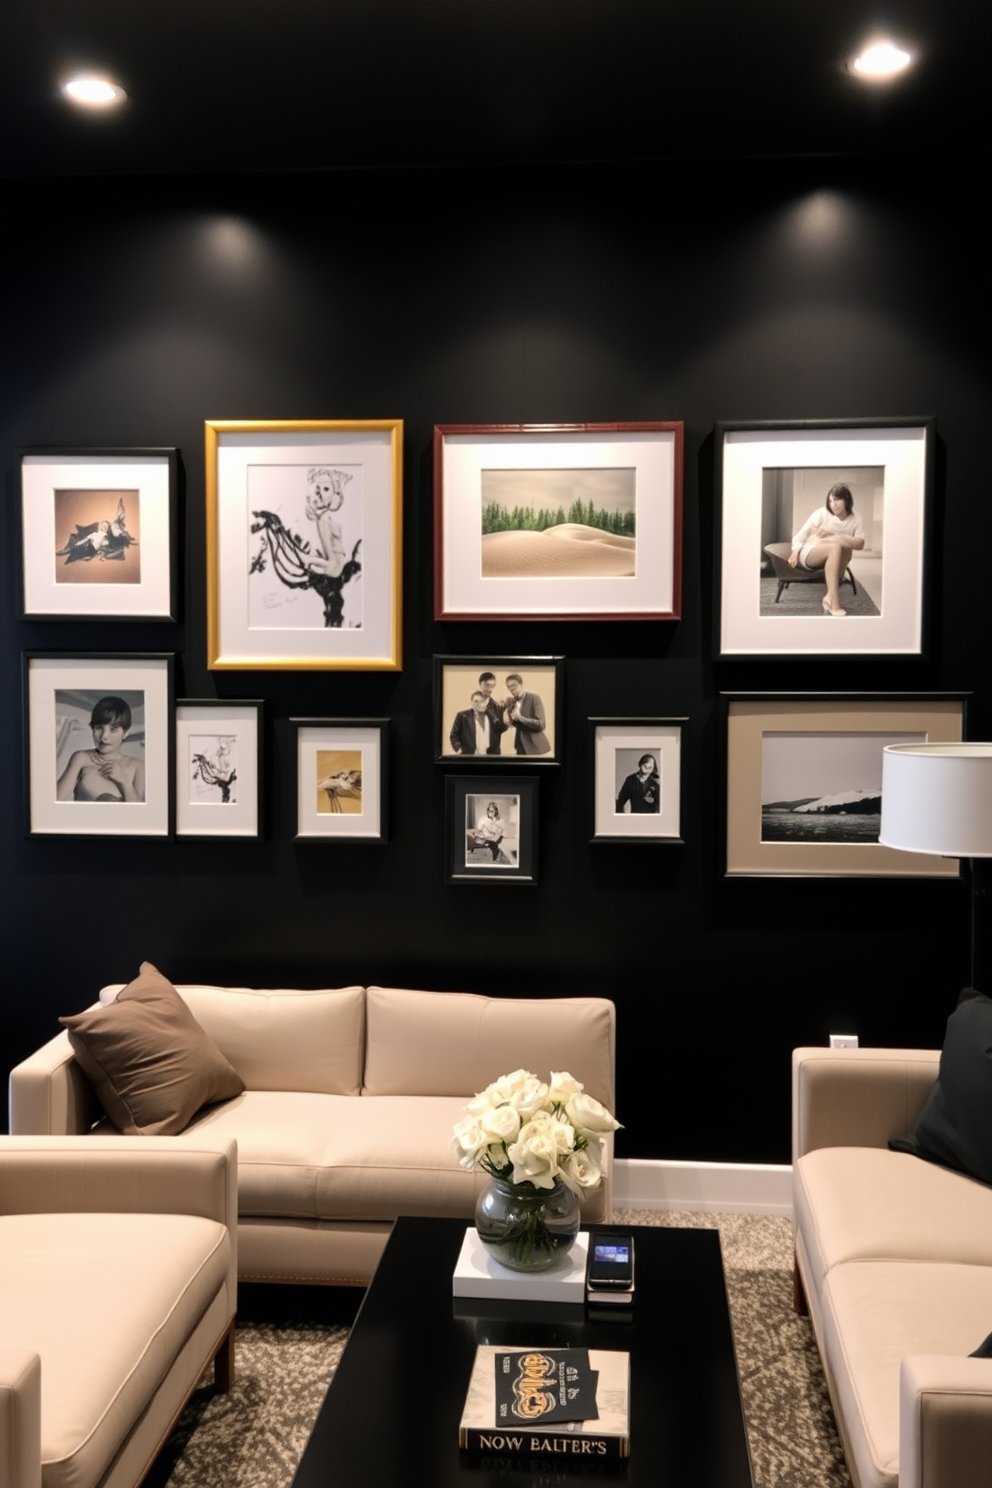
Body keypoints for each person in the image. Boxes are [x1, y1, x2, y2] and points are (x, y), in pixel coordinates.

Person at [788, 482, 865, 618]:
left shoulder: (855, 518)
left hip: (834, 554)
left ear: (846, 500)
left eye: (837, 500)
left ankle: (829, 595)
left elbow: (860, 544)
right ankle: (835, 602)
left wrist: (836, 535)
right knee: (837, 545)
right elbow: (801, 535)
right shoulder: (821, 513)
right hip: (810, 551)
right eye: (830, 501)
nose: (833, 504)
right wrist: (795, 551)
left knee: (845, 546)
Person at [56, 696, 145, 802]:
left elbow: (139, 814)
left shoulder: (137, 766)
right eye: (98, 728)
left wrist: (124, 781)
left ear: (125, 733)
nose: (104, 736)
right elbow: (55, 800)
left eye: (113, 729)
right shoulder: (81, 759)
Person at [502, 674, 550, 756]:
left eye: (513, 685)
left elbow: (541, 724)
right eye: (509, 686)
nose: (511, 688)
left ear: (521, 684)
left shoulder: (534, 698)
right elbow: (515, 724)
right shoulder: (512, 701)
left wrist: (520, 718)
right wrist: (505, 711)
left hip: (535, 746)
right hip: (520, 746)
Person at [449, 689, 505, 756]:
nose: (479, 704)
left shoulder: (493, 715)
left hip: (491, 756)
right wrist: (459, 751)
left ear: (486, 703)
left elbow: (502, 728)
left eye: (481, 701)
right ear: (472, 703)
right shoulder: (462, 716)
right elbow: (453, 735)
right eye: (476, 701)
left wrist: (502, 710)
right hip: (470, 756)